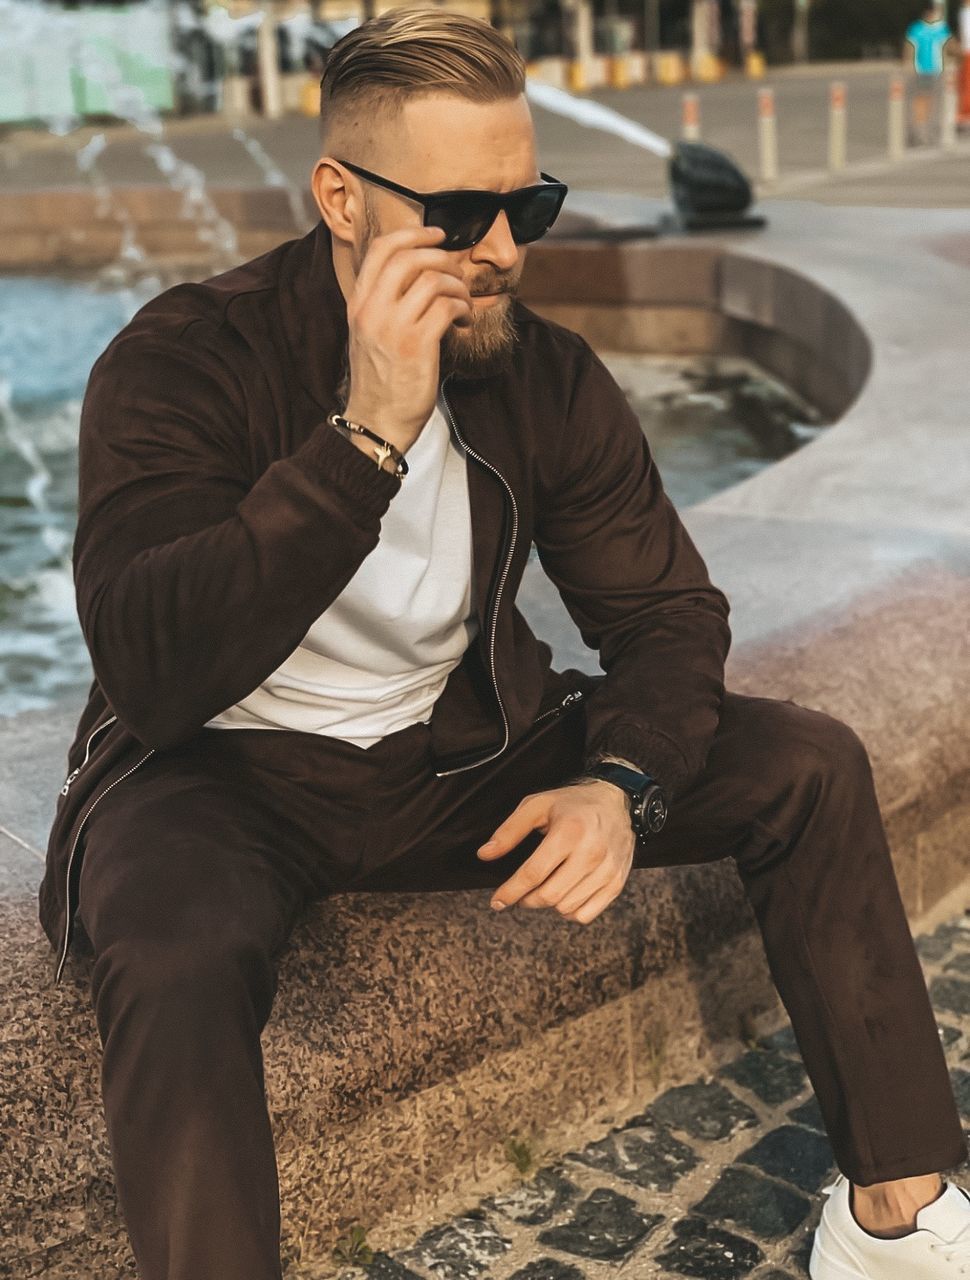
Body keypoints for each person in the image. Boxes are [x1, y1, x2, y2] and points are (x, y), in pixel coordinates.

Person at [38, 7, 970, 1279]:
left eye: (524, 210)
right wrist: (363, 435)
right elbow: (152, 663)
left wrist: (621, 781)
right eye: (457, 213)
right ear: (341, 198)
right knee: (167, 943)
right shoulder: (185, 360)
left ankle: (895, 1219)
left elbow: (664, 615)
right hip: (223, 773)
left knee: (807, 762)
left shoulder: (543, 374)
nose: (497, 253)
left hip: (454, 751)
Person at [905, 1, 958, 145]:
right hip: (922, 68)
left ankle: (922, 130)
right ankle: (918, 131)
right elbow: (909, 47)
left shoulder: (938, 28)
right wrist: (909, 64)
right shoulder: (918, 29)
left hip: (936, 69)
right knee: (922, 100)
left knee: (930, 101)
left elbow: (952, 46)